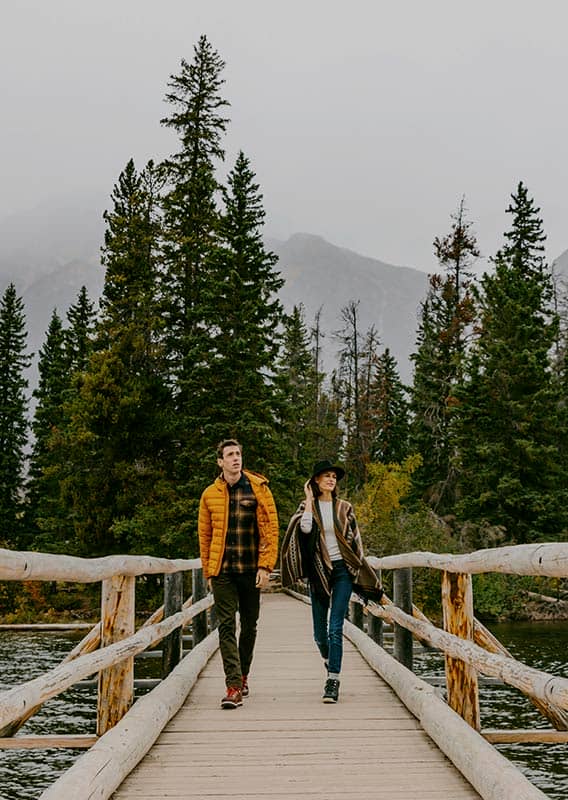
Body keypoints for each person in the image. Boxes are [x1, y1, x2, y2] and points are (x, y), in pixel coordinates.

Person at [281, 459, 382, 704]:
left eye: (333, 477)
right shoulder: (307, 507)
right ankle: (330, 661)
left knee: (335, 627)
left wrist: (357, 568)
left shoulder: (345, 508)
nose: (330, 480)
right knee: (319, 634)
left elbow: (355, 542)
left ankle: (333, 680)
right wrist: (307, 500)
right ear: (316, 481)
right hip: (318, 571)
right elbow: (303, 531)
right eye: (325, 476)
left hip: (342, 571)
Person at [198, 439, 279, 709]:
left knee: (249, 625)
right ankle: (232, 686)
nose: (236, 459)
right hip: (223, 571)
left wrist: (266, 567)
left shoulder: (258, 489)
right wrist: (208, 570)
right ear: (220, 462)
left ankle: (243, 675)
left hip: (250, 569)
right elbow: (205, 536)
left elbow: (270, 531)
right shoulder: (210, 494)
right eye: (230, 455)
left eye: (238, 454)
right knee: (226, 626)